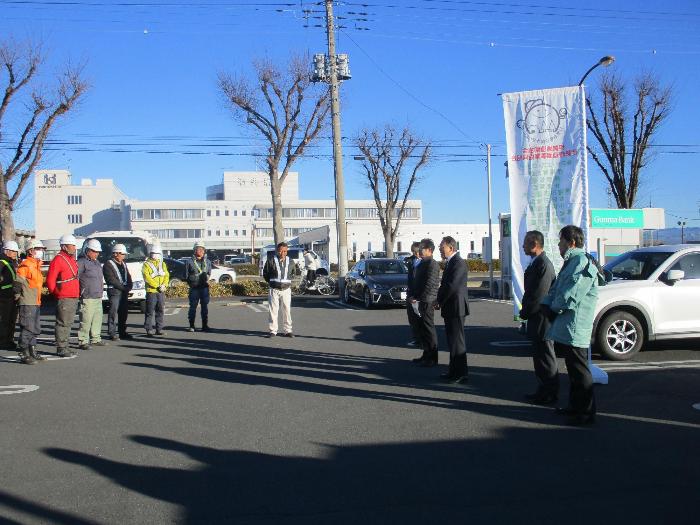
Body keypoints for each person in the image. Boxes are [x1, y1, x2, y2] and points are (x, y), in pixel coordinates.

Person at [541, 225, 599, 426]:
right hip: (569, 325)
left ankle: (585, 413)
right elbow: (558, 289)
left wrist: (552, 308)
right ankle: (575, 407)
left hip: (576, 326)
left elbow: (570, 295)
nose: (558, 245)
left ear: (571, 242)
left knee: (580, 371)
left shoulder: (581, 262)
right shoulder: (572, 262)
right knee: (573, 371)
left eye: (561, 241)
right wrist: (547, 304)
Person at [519, 230, 558, 404]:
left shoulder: (544, 264)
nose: (523, 246)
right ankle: (543, 390)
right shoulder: (537, 262)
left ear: (535, 244)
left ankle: (550, 393)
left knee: (546, 358)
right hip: (537, 318)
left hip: (543, 318)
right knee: (539, 358)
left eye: (526, 243)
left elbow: (539, 295)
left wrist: (525, 312)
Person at [435, 236, 470, 384]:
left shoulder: (458, 263)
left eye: (442, 248)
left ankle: (461, 373)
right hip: (451, 306)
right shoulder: (451, 262)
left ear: (451, 247)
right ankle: (453, 371)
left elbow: (452, 286)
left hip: (456, 307)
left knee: (457, 342)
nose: (440, 251)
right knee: (452, 341)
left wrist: (440, 301)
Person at [46, 234, 81, 357]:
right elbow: (50, 280)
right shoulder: (58, 259)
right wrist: (57, 293)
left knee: (69, 323)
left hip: (73, 296)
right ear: (65, 246)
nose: (74, 248)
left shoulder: (71, 259)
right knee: (63, 323)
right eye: (72, 245)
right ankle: (61, 347)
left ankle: (65, 345)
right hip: (64, 297)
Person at [14, 240, 47, 364]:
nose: (41, 251)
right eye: (38, 249)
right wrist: (18, 296)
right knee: (28, 327)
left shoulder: (36, 265)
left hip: (35, 301)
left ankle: (32, 351)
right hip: (27, 301)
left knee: (34, 327)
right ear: (31, 251)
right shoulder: (26, 265)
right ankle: (23, 352)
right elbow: (17, 283)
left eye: (42, 249)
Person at [410, 238, 440, 366]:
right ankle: (426, 354)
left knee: (429, 329)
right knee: (422, 328)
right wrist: (414, 296)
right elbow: (417, 282)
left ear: (429, 250)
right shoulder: (422, 263)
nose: (419, 251)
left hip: (428, 300)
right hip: (420, 300)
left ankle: (433, 357)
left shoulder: (433, 264)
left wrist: (419, 297)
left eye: (422, 248)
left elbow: (430, 284)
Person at [77, 239, 107, 350]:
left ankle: (95, 338)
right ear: (88, 250)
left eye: (98, 252)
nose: (97, 254)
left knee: (97, 319)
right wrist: (80, 292)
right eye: (95, 251)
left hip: (98, 296)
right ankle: (83, 340)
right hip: (87, 296)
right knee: (86, 320)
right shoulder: (81, 262)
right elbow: (76, 278)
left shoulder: (97, 263)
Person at [263, 242, 294, 338]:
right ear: (277, 251)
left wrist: (287, 282)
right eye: (281, 251)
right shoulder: (271, 260)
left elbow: (293, 273)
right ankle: (273, 331)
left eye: (285, 251)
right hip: (274, 289)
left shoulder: (291, 261)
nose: (283, 253)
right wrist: (272, 282)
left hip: (286, 289)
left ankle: (288, 330)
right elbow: (266, 274)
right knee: (273, 310)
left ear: (287, 251)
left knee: (287, 310)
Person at [103, 244, 133, 341]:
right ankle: (112, 332)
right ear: (116, 253)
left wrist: (129, 286)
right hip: (114, 292)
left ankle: (122, 331)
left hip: (123, 292)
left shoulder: (123, 263)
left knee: (123, 312)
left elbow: (128, 276)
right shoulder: (108, 264)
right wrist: (124, 288)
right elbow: (111, 279)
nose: (124, 256)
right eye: (122, 254)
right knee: (113, 312)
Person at [184, 240, 212, 332]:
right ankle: (192, 325)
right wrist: (192, 283)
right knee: (193, 307)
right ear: (194, 250)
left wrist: (206, 279)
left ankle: (205, 325)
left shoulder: (207, 261)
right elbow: (186, 275)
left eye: (202, 249)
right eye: (198, 249)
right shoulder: (189, 262)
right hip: (194, 288)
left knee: (205, 307)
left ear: (204, 251)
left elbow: (209, 273)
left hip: (204, 288)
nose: (200, 251)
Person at [143, 243, 169, 337]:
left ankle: (159, 329)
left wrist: (164, 285)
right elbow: (147, 278)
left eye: (156, 253)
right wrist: (157, 286)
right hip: (151, 291)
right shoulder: (146, 265)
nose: (155, 255)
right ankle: (149, 329)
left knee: (160, 310)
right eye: (153, 253)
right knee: (150, 311)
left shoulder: (163, 264)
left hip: (161, 291)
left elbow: (166, 275)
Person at [0, 240, 20, 350]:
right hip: (4, 296)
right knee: (5, 320)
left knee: (12, 319)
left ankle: (9, 340)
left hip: (11, 296)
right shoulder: (2, 262)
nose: (15, 254)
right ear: (7, 251)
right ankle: (3, 341)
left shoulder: (11, 262)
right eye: (13, 251)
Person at [405, 241, 422, 347]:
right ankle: (416, 338)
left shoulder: (426, 262)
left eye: (417, 252)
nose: (416, 254)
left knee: (421, 318)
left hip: (420, 295)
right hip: (410, 294)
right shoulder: (410, 261)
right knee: (412, 318)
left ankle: (423, 340)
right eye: (413, 252)